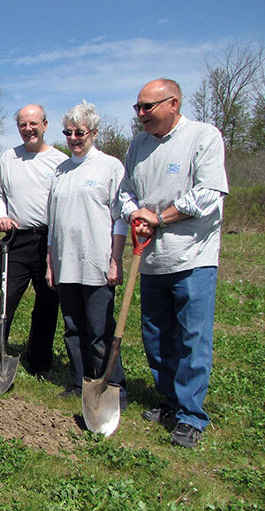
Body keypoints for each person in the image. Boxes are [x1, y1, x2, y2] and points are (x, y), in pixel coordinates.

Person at [119, 78, 228, 448]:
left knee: (192, 338)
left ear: (174, 104)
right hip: (150, 259)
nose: (141, 114)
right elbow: (126, 193)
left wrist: (161, 217)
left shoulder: (203, 136)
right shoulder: (138, 145)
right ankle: (169, 400)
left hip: (193, 256)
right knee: (156, 336)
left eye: (148, 107)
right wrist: (136, 212)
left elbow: (209, 194)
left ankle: (191, 415)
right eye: (138, 108)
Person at [46, 100, 128, 404]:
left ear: (93, 132)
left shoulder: (110, 166)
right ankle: (80, 383)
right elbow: (53, 223)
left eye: (79, 132)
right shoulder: (60, 171)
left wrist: (115, 260)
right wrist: (50, 263)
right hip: (66, 263)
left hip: (96, 262)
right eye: (68, 132)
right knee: (72, 328)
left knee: (99, 331)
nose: (73, 138)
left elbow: (120, 218)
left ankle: (112, 385)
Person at [0, 104, 67, 379]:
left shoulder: (60, 161)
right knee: (6, 301)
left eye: (33, 124)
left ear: (45, 125)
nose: (28, 129)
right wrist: (2, 217)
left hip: (48, 240)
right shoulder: (8, 158)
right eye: (23, 124)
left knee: (47, 303)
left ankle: (40, 361)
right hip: (15, 240)